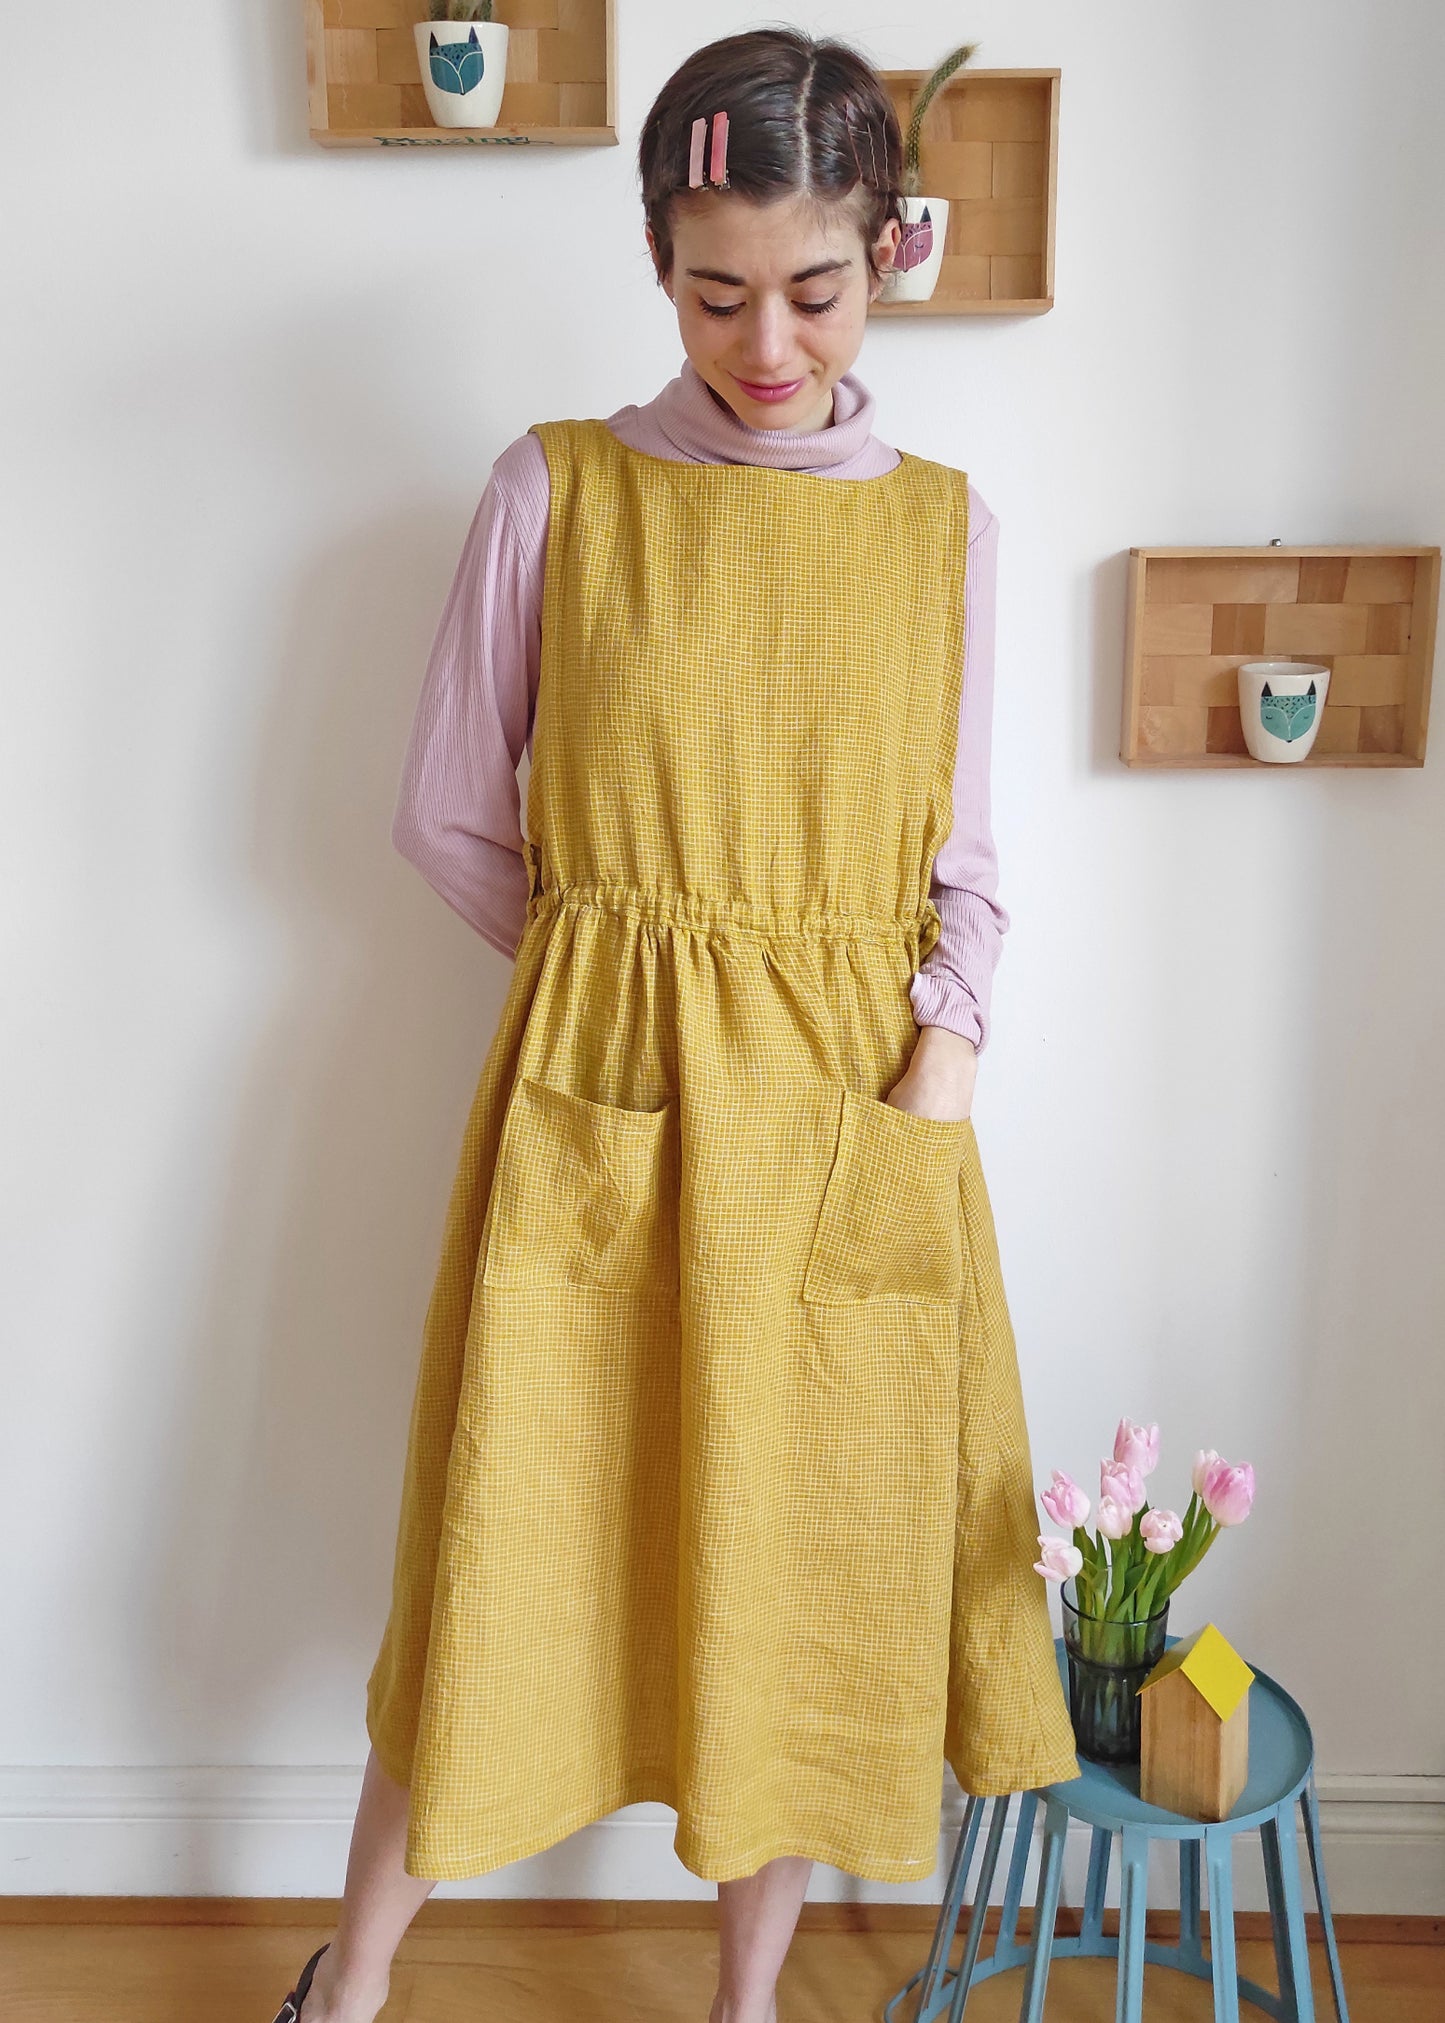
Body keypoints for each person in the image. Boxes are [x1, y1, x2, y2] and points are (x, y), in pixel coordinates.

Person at [269, 26, 1079, 2023]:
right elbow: (449, 814)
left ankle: (744, 2003)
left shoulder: (945, 528)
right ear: (655, 262)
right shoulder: (558, 490)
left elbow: (969, 867)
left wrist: (936, 1068)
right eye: (716, 295)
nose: (767, 343)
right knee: (506, 1549)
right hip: (605, 1113)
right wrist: (610, 982)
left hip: (847, 1128)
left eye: (814, 289)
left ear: (887, 255)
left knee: (799, 1579)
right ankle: (349, 1985)